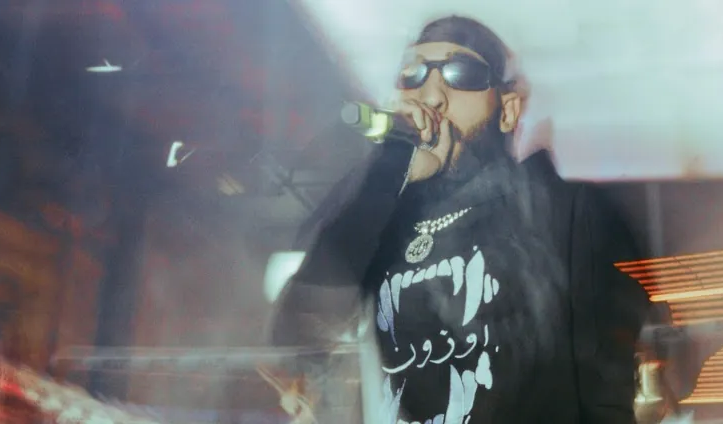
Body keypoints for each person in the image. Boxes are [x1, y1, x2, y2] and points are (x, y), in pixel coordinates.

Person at [267, 15, 653, 424]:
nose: (431, 96)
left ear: (507, 109)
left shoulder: (566, 212)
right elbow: (298, 332)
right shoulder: (382, 224)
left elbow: (605, 387)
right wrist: (388, 171)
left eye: (461, 74)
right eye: (413, 76)